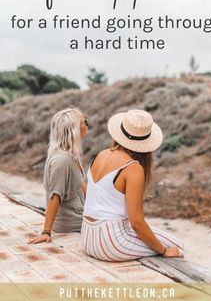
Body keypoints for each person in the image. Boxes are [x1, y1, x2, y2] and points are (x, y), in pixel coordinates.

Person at [81, 109, 184, 261]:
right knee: (177, 246)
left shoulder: (101, 154)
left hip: (87, 237)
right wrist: (163, 251)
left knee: (163, 239)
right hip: (110, 244)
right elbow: (136, 222)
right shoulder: (133, 168)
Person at [28, 106, 88, 244]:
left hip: (80, 215)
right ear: (73, 129)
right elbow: (55, 196)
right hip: (72, 223)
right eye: (84, 122)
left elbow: (82, 186)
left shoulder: (72, 155)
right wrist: (46, 231)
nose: (86, 124)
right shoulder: (62, 160)